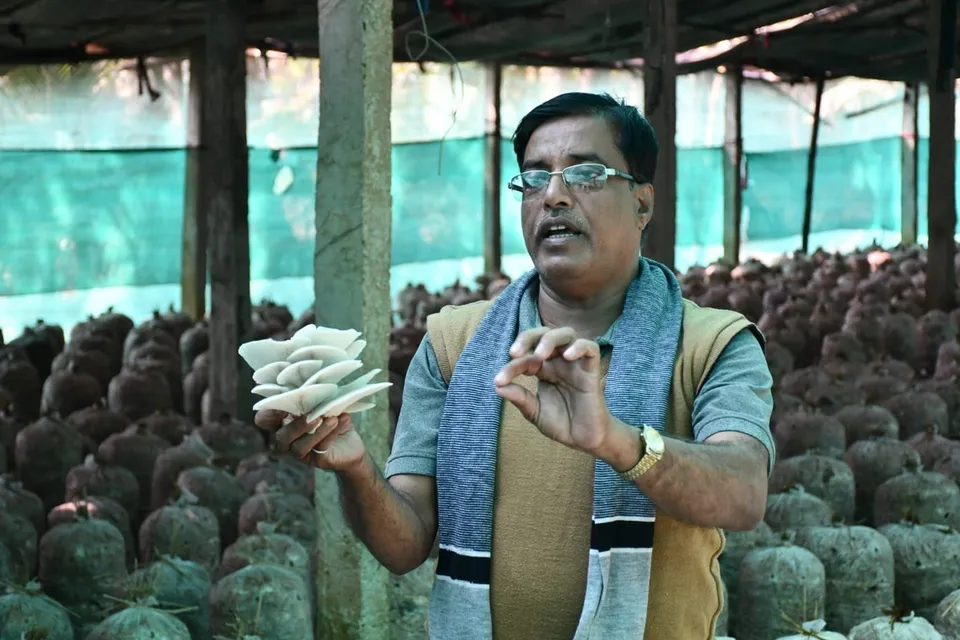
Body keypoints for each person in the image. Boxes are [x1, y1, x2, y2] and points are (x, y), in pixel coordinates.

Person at [255, 92, 775, 640]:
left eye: (586, 174)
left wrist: (615, 440)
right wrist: (357, 470)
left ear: (642, 203)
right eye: (534, 177)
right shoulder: (453, 343)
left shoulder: (713, 343)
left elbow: (744, 495)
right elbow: (406, 546)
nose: (554, 195)